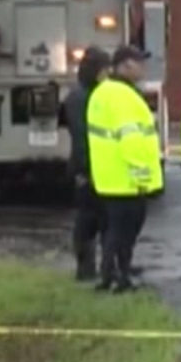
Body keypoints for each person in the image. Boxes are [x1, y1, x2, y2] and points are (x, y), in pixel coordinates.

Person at [85, 45, 163, 293]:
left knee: (114, 231)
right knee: (124, 233)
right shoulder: (123, 96)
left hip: (109, 176)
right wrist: (142, 177)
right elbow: (131, 139)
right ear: (125, 66)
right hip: (126, 178)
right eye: (138, 63)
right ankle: (120, 278)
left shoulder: (102, 93)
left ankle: (109, 276)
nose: (142, 68)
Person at [60, 47, 111, 281]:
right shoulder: (82, 98)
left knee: (94, 219)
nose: (108, 74)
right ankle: (86, 269)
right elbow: (82, 137)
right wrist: (86, 170)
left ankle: (94, 267)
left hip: (92, 166)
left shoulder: (82, 94)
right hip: (88, 168)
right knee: (88, 221)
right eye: (104, 69)